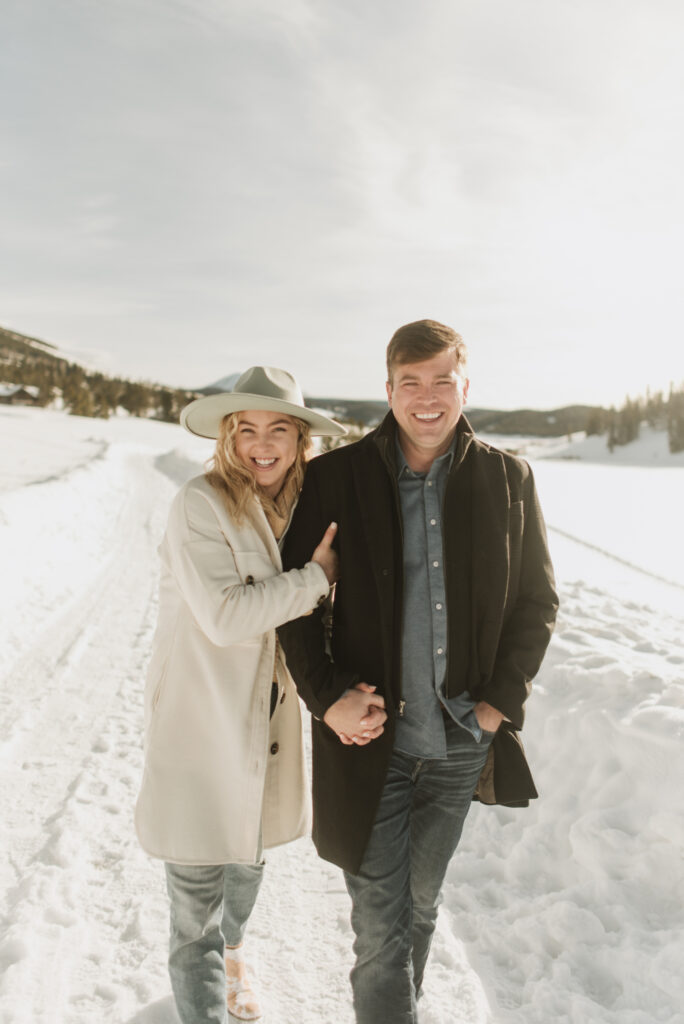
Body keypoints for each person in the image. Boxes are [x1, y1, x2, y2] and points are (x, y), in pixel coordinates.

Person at [278, 320, 559, 1023]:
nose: (426, 398)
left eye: (442, 381)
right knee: (382, 928)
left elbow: (536, 599)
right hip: (370, 742)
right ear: (388, 390)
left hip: (461, 741)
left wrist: (497, 705)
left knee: (420, 906)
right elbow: (295, 603)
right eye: (411, 383)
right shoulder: (335, 477)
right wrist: (326, 699)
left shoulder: (508, 477)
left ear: (466, 385)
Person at [135, 366, 374, 1024]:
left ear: (301, 440)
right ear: (228, 438)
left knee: (247, 856)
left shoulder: (304, 512)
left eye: (279, 430)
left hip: (267, 728)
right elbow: (224, 615)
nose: (261, 445)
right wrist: (315, 578)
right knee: (193, 906)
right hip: (199, 720)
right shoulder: (200, 504)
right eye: (247, 431)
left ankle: (233, 948)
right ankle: (208, 985)